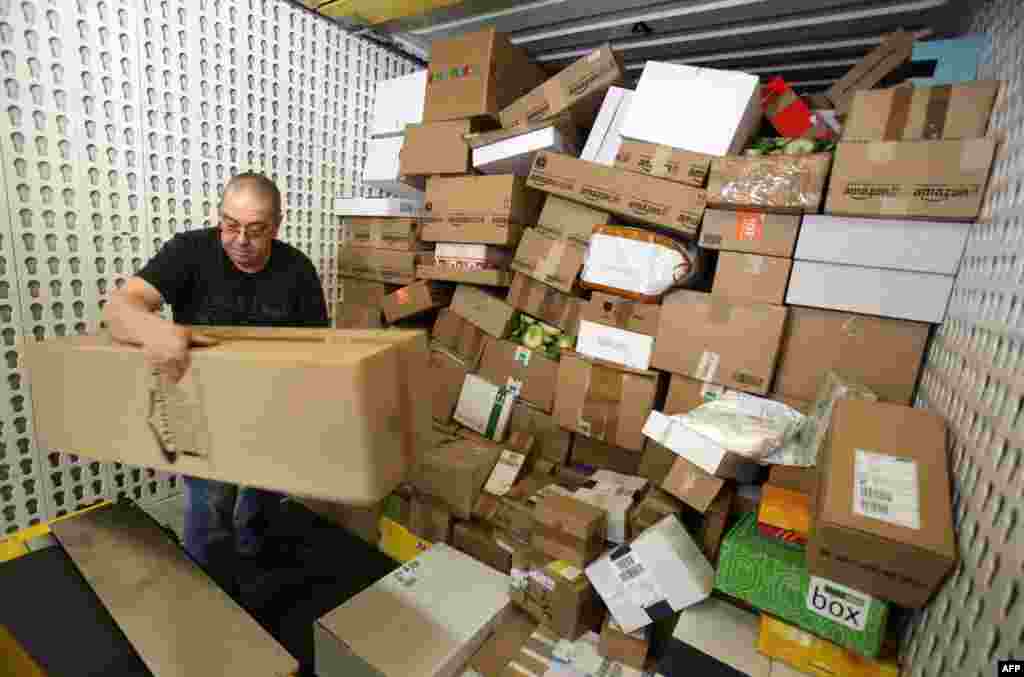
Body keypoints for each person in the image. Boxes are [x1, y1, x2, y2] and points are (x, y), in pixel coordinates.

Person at [104, 172, 329, 569]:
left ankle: (253, 562)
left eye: (256, 231)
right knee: (208, 513)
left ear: (276, 226)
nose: (240, 241)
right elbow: (121, 308)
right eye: (230, 226)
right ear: (219, 218)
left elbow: (318, 352)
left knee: (261, 507)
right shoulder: (189, 252)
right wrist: (155, 331)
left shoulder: (298, 272)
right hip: (202, 410)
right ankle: (206, 593)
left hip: (270, 411)